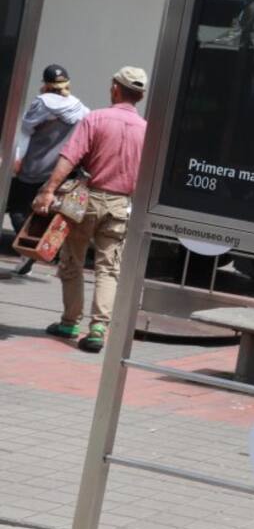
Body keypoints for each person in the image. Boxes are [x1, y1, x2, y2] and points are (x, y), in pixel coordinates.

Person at [32, 67, 148, 353]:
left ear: (115, 89)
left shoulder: (95, 118)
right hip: (120, 204)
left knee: (72, 259)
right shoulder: (146, 130)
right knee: (108, 268)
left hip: (85, 199)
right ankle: (98, 328)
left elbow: (69, 157)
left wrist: (48, 190)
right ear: (141, 96)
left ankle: (70, 322)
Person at [4, 65, 89, 275]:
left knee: (16, 207)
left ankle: (29, 250)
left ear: (46, 84)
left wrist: (17, 158)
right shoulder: (79, 108)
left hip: (33, 167)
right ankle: (35, 250)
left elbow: (25, 131)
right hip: (59, 170)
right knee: (42, 211)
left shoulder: (41, 103)